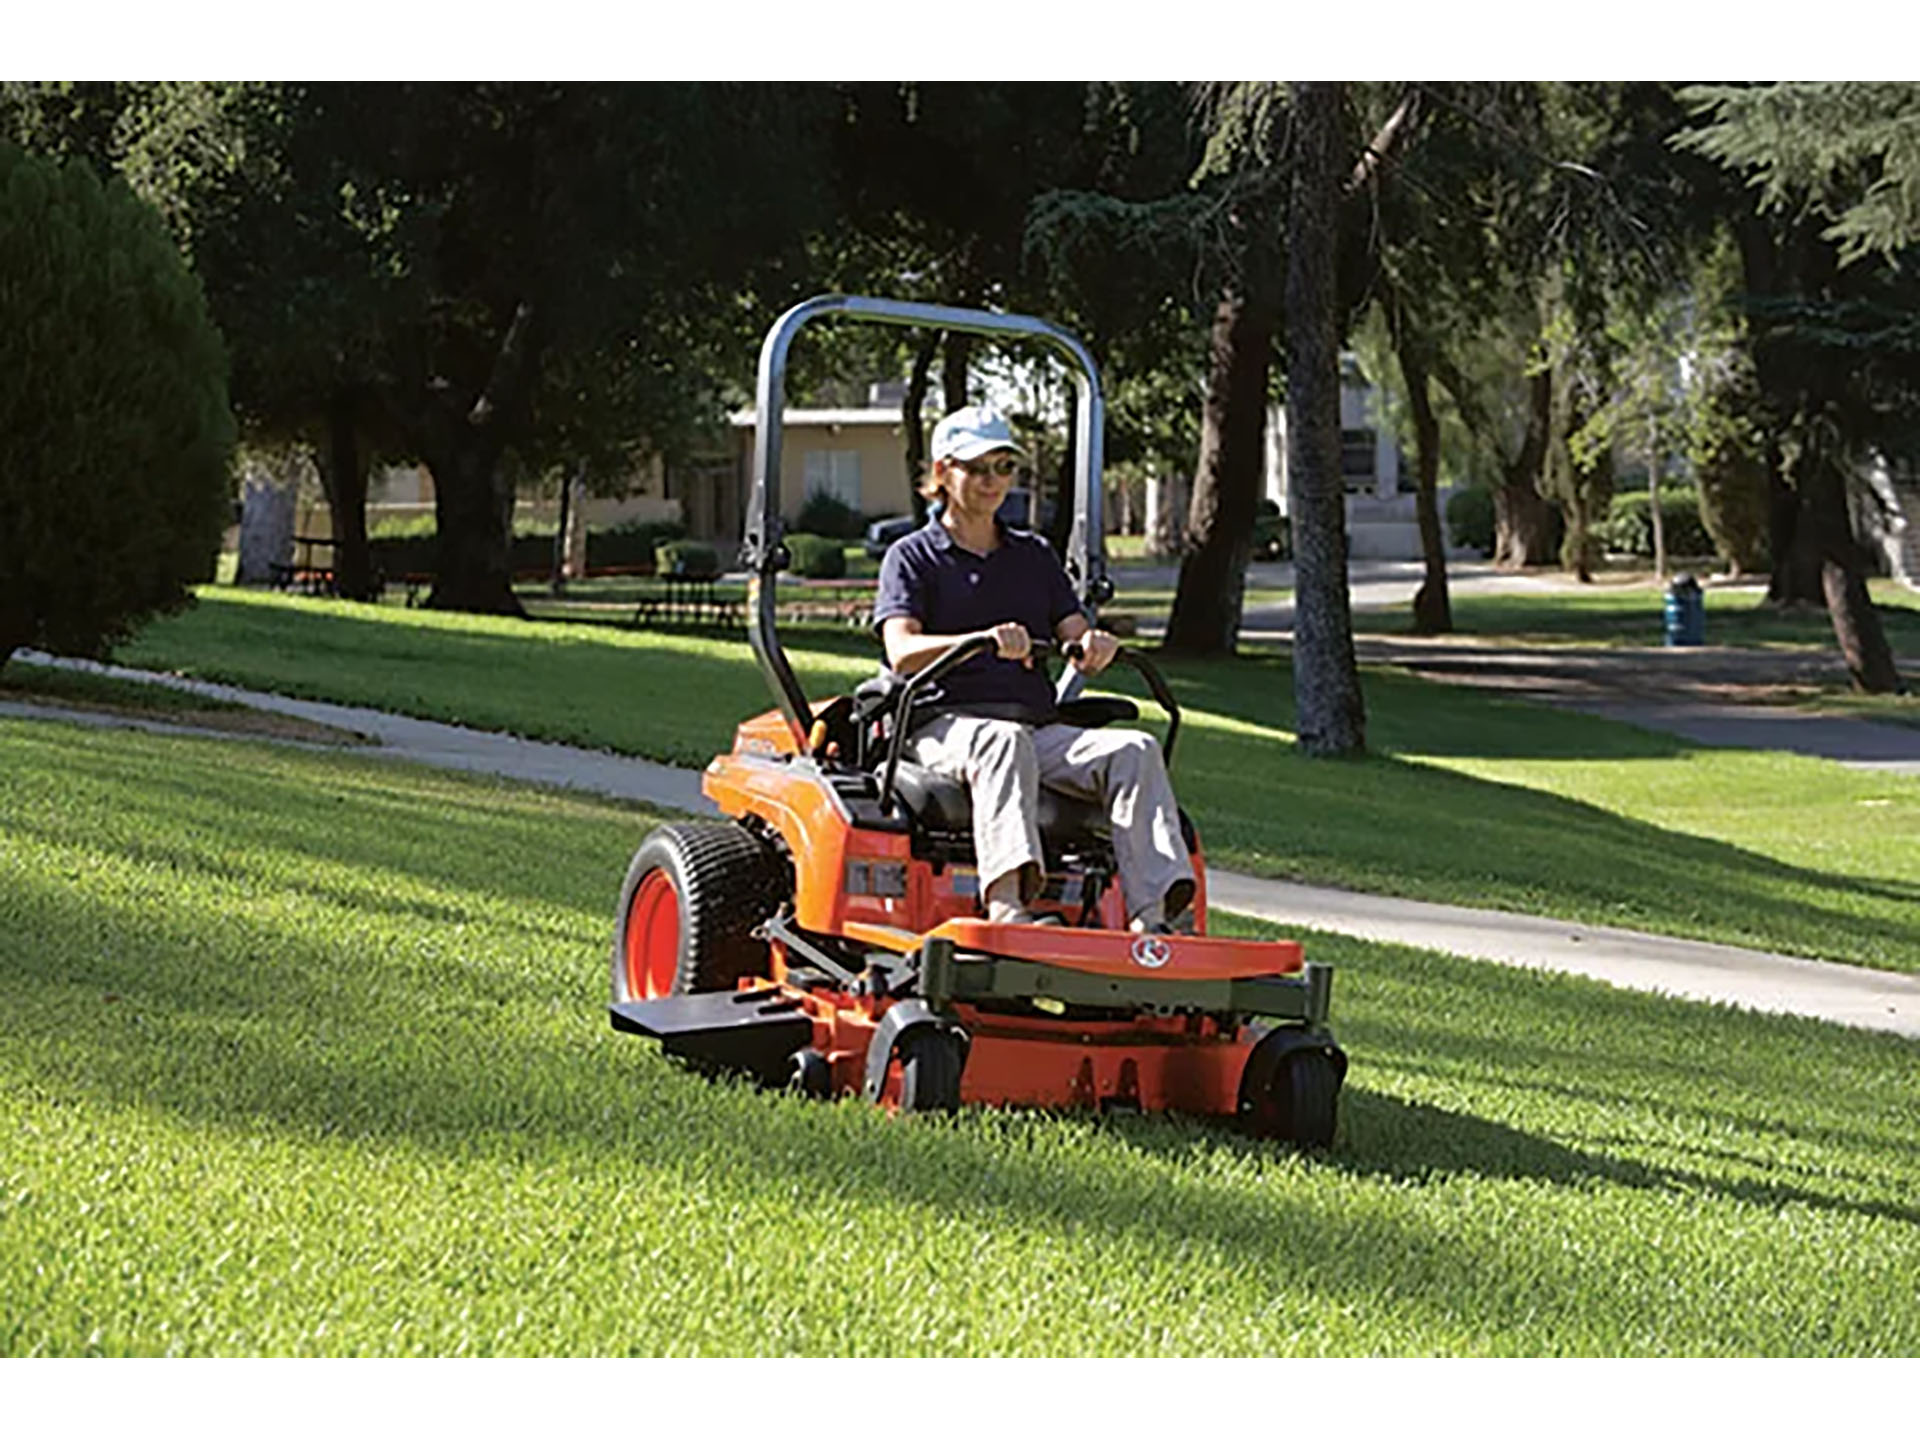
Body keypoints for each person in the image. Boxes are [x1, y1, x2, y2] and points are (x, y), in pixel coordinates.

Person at [871, 404, 1196, 933]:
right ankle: (1008, 907)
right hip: (942, 725)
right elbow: (902, 650)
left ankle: (1153, 920)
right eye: (976, 468)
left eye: (1003, 467)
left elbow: (1073, 631)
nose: (991, 481)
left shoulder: (1033, 555)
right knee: (1003, 741)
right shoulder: (911, 557)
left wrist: (1093, 645)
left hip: (1033, 727)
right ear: (940, 473)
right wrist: (980, 642)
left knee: (1135, 750)